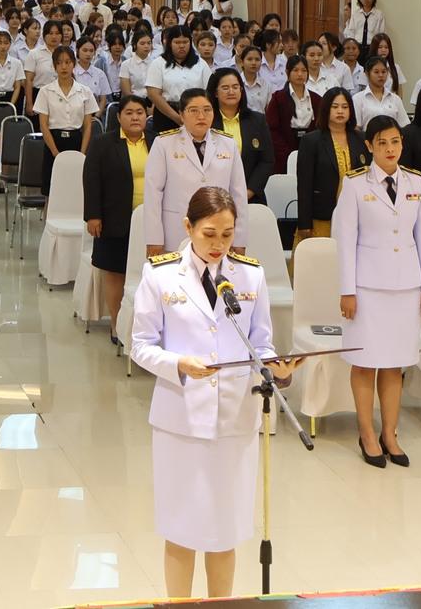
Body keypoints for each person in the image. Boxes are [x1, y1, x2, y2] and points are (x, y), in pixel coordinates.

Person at [130, 186, 291, 599]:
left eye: (227, 234)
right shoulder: (160, 274)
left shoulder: (250, 274)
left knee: (225, 530)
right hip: (179, 420)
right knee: (181, 528)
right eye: (209, 234)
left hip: (234, 419)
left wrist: (276, 367)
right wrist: (179, 364)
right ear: (188, 227)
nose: (219, 244)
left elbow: (262, 342)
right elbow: (141, 345)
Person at [332, 117, 421, 468]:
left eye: (395, 142)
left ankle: (390, 432)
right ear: (370, 147)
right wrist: (347, 290)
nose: (391, 149)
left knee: (394, 364)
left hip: (406, 285)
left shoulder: (416, 182)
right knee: (365, 363)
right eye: (383, 143)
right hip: (367, 287)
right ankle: (366, 432)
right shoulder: (355, 184)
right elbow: (345, 242)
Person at [143, 90, 249, 257]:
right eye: (193, 110)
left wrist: (240, 239)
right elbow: (153, 194)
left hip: (219, 235)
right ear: (181, 114)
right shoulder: (164, 144)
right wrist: (154, 239)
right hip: (175, 235)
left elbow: (239, 195)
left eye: (207, 110)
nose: (201, 116)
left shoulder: (228, 144)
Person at [84, 96, 153, 344]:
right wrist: (93, 215)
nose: (135, 117)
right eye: (129, 113)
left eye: (140, 113)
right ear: (118, 117)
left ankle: (146, 327)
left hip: (150, 220)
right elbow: (91, 180)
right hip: (115, 218)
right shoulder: (103, 143)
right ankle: (116, 324)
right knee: (116, 273)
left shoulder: (157, 142)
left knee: (149, 275)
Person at [295, 89, 365, 239]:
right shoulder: (311, 141)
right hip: (322, 216)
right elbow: (304, 185)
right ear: (326, 108)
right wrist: (304, 223)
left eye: (345, 107)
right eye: (335, 107)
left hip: (355, 216)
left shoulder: (361, 139)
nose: (340, 111)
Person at [207, 67, 274, 205]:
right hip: (213, 198)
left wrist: (248, 191)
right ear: (215, 93)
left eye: (235, 87)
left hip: (251, 197)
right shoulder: (206, 122)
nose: (231, 91)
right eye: (225, 88)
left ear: (241, 91)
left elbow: (266, 161)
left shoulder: (257, 120)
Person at [35, 46, 98, 183]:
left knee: (75, 186)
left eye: (67, 62)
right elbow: (43, 126)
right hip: (54, 141)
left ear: (73, 64)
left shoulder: (85, 91)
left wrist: (82, 153)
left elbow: (88, 126)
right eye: (59, 63)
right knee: (51, 190)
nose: (64, 66)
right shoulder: (45, 91)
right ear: (54, 66)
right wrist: (55, 152)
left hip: (76, 140)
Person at [146, 26, 208, 133]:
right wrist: (177, 117)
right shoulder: (158, 63)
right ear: (169, 43)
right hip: (166, 116)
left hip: (196, 114)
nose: (182, 46)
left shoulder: (200, 63)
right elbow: (153, 94)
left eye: (185, 42)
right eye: (177, 42)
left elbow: (209, 90)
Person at [267, 55, 319, 177]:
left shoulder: (316, 99)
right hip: (284, 150)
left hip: (310, 147)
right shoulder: (278, 98)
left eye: (304, 70)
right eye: (295, 70)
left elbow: (319, 127)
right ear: (287, 72)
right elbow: (272, 129)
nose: (300, 74)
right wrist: (287, 153)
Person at [352, 57, 408, 129]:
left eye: (384, 72)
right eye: (376, 72)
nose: (381, 75)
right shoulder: (357, 98)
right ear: (367, 74)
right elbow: (356, 127)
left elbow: (404, 125)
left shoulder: (395, 99)